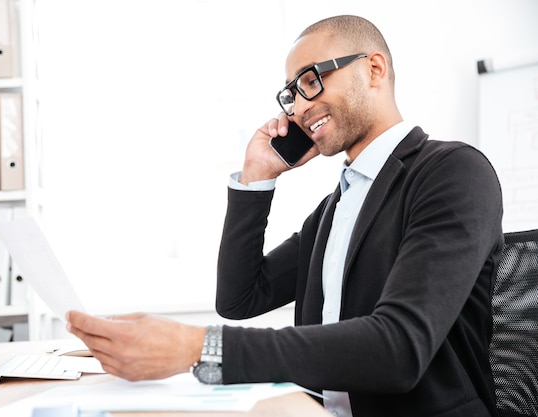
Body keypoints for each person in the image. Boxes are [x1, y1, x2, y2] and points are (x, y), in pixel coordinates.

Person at [66, 15, 504, 417]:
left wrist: (198, 347)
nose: (297, 107)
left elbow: (399, 348)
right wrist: (257, 176)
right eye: (291, 93)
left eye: (311, 81)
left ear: (374, 69)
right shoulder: (337, 207)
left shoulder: (453, 173)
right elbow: (239, 299)